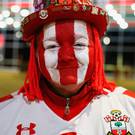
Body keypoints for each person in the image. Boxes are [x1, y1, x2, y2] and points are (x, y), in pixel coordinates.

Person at [0, 0, 135, 134]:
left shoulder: (130, 108)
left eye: (79, 45)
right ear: (36, 53)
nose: (66, 57)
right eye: (52, 46)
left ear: (97, 50)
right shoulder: (4, 115)